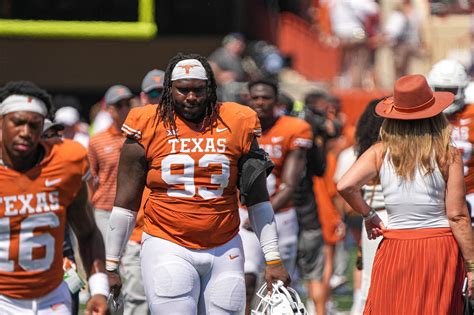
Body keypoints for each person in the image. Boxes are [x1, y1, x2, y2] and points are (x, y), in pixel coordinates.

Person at [104, 53, 290, 314]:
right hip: (167, 242)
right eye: (183, 90)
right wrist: (111, 264)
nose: (191, 97)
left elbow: (258, 198)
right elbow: (125, 203)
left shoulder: (237, 121)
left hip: (225, 244)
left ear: (210, 89)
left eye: (198, 90)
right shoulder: (146, 123)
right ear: (169, 90)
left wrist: (272, 258)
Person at [337, 74, 474, 313]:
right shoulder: (447, 153)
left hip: (395, 244)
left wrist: (368, 215)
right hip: (439, 247)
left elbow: (345, 185)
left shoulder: (380, 151)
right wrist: (472, 266)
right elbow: (457, 216)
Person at [0, 81, 108, 315]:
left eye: (34, 125)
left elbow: (88, 232)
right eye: (17, 122)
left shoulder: (67, 161)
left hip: (52, 296)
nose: (25, 132)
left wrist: (99, 289)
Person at [240, 79, 312, 314]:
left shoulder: (294, 128)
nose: (260, 102)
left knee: (279, 286)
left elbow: (290, 184)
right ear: (247, 99)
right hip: (243, 214)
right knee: (246, 277)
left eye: (266, 97)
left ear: (277, 101)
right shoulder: (238, 126)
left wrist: (261, 213)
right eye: (255, 97)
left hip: (280, 215)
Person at [120, 70, 165, 315]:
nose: (158, 99)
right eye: (153, 94)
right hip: (138, 233)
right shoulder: (132, 133)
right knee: (137, 302)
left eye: (163, 93)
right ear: (143, 97)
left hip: (172, 235)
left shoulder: (189, 132)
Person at [428, 59, 474, 230]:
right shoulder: (424, 116)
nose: (446, 95)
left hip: (469, 194)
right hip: (431, 197)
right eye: (441, 90)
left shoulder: (472, 115)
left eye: (451, 90)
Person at [88, 85, 133, 240]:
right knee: (109, 261)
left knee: (132, 260)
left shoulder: (140, 136)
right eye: (119, 105)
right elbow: (90, 177)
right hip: (105, 209)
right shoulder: (96, 140)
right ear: (109, 109)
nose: (125, 109)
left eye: (128, 104)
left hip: (132, 209)